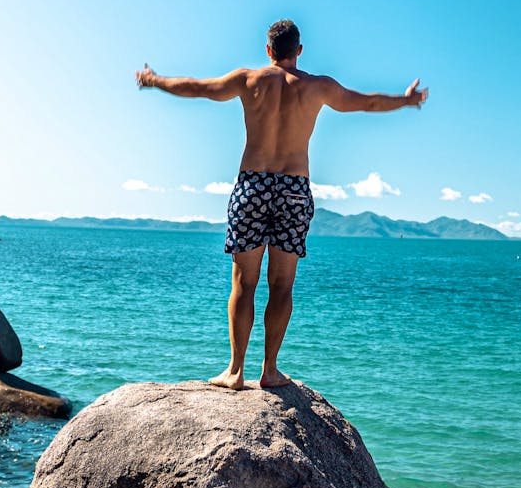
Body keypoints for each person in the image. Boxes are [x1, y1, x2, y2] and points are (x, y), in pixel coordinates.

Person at [136, 19, 428, 389]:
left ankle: (235, 371)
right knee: (282, 285)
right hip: (294, 188)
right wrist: (407, 100)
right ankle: (270, 370)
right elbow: (367, 102)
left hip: (253, 185)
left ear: (268, 50)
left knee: (244, 282)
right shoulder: (318, 87)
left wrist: (155, 80)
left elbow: (199, 88)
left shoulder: (249, 80)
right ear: (299, 51)